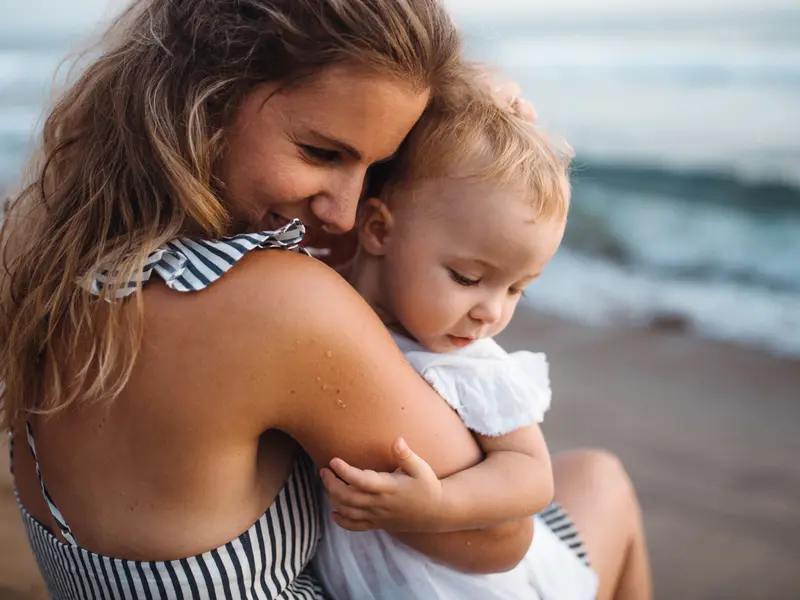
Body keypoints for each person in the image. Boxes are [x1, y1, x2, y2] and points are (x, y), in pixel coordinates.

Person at [0, 0, 651, 599]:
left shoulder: (61, 259)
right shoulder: (276, 306)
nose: (342, 214)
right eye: (321, 151)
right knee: (605, 485)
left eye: (375, 166)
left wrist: (448, 111)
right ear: (207, 95)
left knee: (588, 473)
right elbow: (498, 542)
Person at [312, 81, 598, 600]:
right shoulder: (321, 291)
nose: (492, 312)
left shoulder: (473, 368)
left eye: (517, 290)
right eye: (467, 278)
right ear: (377, 229)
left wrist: (439, 504)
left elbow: (533, 476)